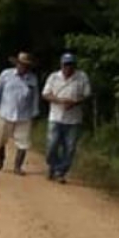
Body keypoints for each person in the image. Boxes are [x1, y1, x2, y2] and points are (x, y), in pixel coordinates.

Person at [42, 53, 92, 183]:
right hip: (56, 116)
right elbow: (46, 94)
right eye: (66, 65)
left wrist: (75, 102)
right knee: (52, 145)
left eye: (71, 65)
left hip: (74, 119)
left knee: (69, 148)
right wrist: (60, 101)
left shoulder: (81, 77)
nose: (68, 68)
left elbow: (87, 95)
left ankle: (60, 172)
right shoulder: (54, 77)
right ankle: (53, 165)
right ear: (61, 65)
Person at [0, 52, 39, 175]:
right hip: (5, 113)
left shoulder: (32, 79)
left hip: (24, 115)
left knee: (23, 142)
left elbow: (35, 97)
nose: (23, 67)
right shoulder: (6, 75)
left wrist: (35, 112)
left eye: (26, 65)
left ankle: (17, 166)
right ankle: (1, 158)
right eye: (21, 64)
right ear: (17, 64)